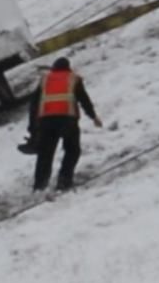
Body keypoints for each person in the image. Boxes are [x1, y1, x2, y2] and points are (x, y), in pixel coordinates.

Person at [25, 57, 102, 192]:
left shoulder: (45, 79)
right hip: (67, 121)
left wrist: (32, 128)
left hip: (46, 122)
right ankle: (64, 181)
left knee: (45, 155)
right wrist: (93, 116)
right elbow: (84, 100)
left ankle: (39, 186)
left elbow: (33, 105)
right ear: (68, 68)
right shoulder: (73, 78)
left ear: (54, 68)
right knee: (72, 150)